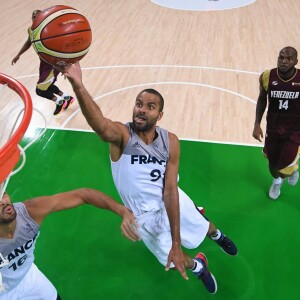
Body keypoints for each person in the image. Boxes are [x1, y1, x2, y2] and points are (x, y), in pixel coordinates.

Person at [60, 62, 238, 294]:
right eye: (139, 104)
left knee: (202, 226)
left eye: (150, 106)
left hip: (171, 199)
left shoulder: (170, 141)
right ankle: (199, 266)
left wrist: (176, 241)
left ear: (159, 114)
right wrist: (78, 85)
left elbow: (170, 190)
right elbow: (101, 126)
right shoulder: (122, 136)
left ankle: (218, 235)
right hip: (142, 216)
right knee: (174, 262)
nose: (141, 109)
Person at [0, 188, 138, 299]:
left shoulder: (29, 212)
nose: (3, 201)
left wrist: (122, 211)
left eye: (3, 194)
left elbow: (83, 195)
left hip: (28, 278)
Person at [252, 46, 300, 200]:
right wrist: (257, 124)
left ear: (295, 61)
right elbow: (261, 99)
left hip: (294, 131)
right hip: (272, 129)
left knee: (283, 167)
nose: (284, 61)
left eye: (288, 58)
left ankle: (292, 170)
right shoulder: (267, 76)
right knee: (272, 164)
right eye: (281, 57)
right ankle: (277, 180)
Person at [11, 9, 74, 116]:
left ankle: (59, 102)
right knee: (48, 85)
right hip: (44, 63)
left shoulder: (49, 31)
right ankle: (67, 98)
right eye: (33, 17)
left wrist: (65, 65)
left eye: (38, 17)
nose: (35, 19)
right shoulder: (31, 30)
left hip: (52, 65)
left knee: (39, 90)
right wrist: (19, 54)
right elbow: (28, 42)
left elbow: (62, 47)